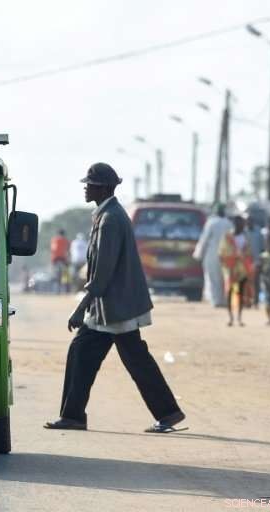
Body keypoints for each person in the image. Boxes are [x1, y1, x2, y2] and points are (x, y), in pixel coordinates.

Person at [45, 163, 184, 433]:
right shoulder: (108, 215)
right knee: (92, 353)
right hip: (111, 306)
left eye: (90, 184)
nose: (86, 188)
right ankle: (166, 412)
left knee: (126, 359)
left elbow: (102, 272)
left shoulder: (110, 219)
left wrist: (80, 308)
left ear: (104, 188)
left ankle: (166, 413)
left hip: (115, 307)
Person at [219, 216, 254, 327]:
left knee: (241, 293)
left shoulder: (245, 237)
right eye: (239, 223)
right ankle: (230, 318)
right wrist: (234, 256)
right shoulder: (227, 237)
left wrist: (244, 258)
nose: (241, 226)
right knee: (229, 292)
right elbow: (222, 252)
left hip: (242, 269)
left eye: (242, 224)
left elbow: (249, 253)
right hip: (230, 268)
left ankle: (239, 318)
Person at [193, 204, 232, 307]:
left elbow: (204, 239)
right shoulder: (229, 223)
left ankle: (216, 300)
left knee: (213, 278)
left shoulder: (211, 223)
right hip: (226, 254)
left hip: (212, 254)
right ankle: (224, 300)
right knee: (224, 278)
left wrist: (198, 254)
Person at [246, 217, 264, 308]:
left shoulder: (258, 231)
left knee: (256, 282)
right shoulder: (244, 231)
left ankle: (255, 301)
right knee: (247, 282)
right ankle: (247, 301)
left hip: (257, 260)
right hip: (246, 261)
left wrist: (261, 261)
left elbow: (262, 247)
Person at [50, 229, 70, 294]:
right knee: (65, 275)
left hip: (55, 259)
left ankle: (57, 290)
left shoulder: (54, 240)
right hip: (63, 259)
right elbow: (68, 250)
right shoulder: (66, 240)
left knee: (56, 275)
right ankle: (65, 290)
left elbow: (53, 249)